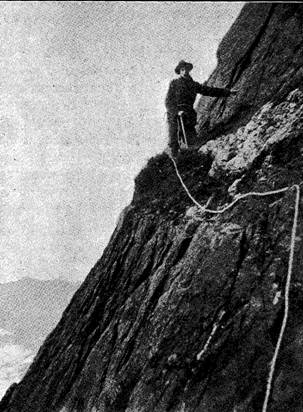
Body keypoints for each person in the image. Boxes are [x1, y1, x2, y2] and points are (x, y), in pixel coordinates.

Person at [165, 60, 237, 157]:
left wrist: (227, 92)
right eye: (182, 69)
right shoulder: (174, 83)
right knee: (174, 140)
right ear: (180, 71)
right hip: (175, 115)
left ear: (188, 70)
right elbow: (168, 101)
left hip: (188, 114)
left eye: (186, 69)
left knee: (191, 141)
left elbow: (208, 90)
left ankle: (191, 160)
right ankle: (176, 161)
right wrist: (177, 112)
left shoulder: (193, 85)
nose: (184, 71)